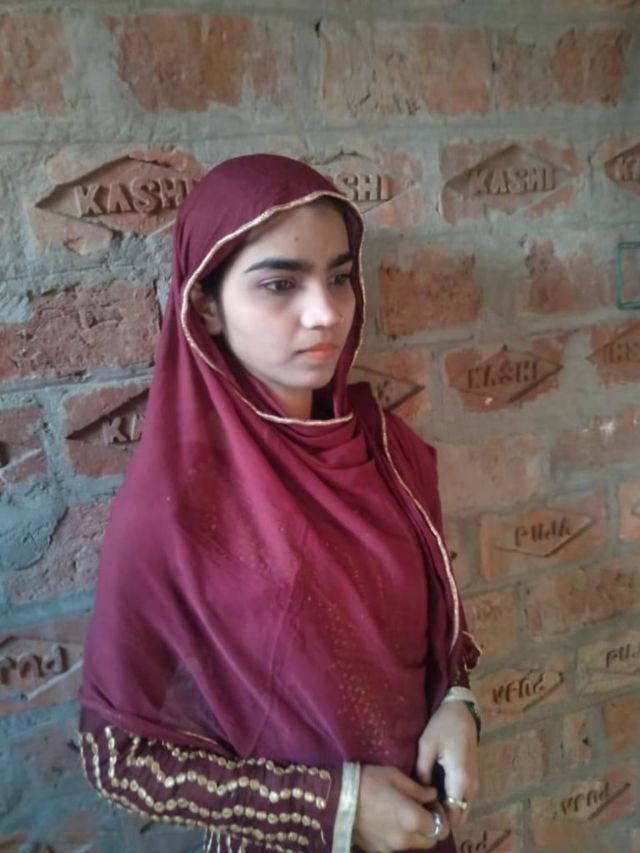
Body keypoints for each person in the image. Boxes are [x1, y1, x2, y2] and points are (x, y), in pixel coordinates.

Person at [79, 154, 482, 853]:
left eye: (339, 276)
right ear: (206, 304)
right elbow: (117, 759)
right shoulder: (174, 509)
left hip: (425, 829)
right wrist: (336, 807)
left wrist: (457, 702)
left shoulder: (389, 453)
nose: (325, 312)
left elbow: (436, 626)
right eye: (279, 283)